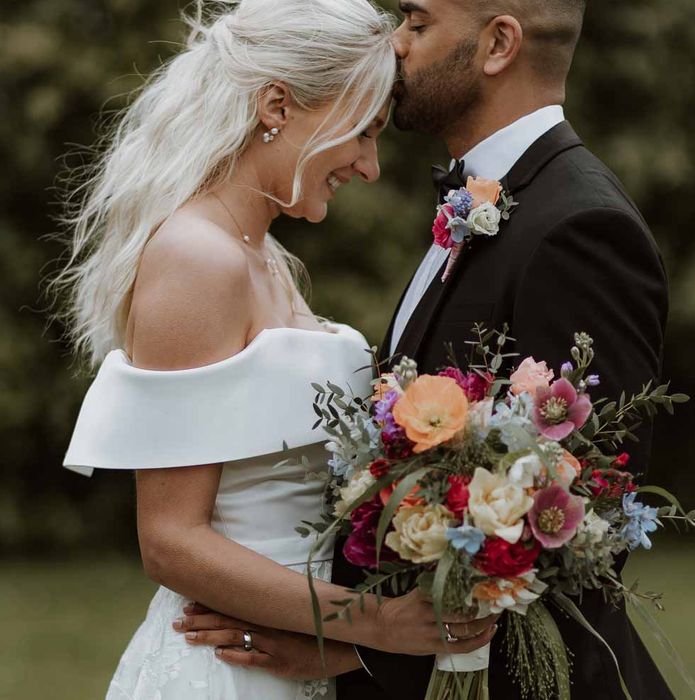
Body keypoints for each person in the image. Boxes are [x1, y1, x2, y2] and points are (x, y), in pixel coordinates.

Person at [186, 1, 675, 698]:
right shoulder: (486, 200)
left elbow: (579, 531)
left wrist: (358, 653)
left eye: (416, 23)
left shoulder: (579, 226)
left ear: (498, 44)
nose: (395, 44)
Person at [59, 1, 497, 698]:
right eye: (363, 132)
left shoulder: (267, 258)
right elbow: (171, 539)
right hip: (226, 670)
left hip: (297, 655)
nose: (369, 166)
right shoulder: (195, 257)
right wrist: (379, 623)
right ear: (276, 105)